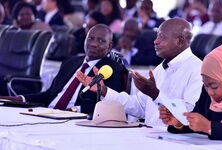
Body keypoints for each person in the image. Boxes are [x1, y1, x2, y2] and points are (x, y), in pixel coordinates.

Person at [77, 18, 203, 126]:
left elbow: (190, 115)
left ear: (180, 41)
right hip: (148, 136)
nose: (156, 41)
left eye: (162, 37)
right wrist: (104, 90)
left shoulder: (198, 70)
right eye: (157, 36)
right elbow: (138, 106)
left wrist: (155, 94)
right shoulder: (160, 68)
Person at [0, 24, 128, 115]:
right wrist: (19, 99)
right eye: (90, 38)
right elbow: (49, 95)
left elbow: (109, 105)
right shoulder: (70, 62)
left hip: (73, 121)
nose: (93, 44)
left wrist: (73, 110)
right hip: (46, 114)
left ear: (109, 46)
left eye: (101, 41)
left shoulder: (112, 69)